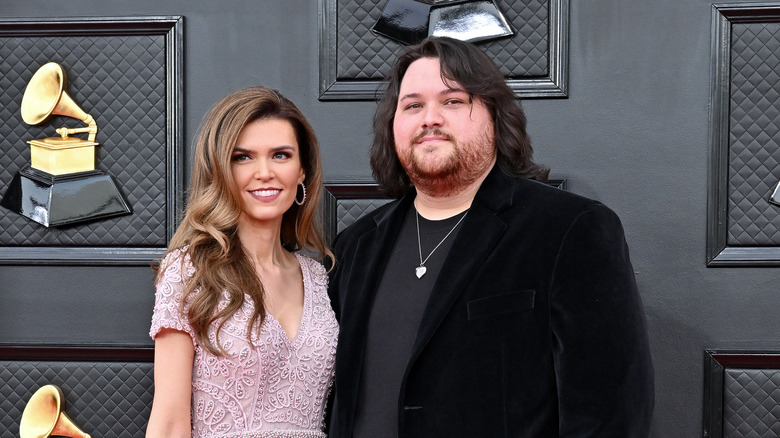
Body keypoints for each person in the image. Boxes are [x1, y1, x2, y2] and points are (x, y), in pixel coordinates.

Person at [327, 37, 654, 437]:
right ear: (393, 126)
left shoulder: (571, 229)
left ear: (495, 117)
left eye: (452, 101)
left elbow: (610, 415)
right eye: (412, 105)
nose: (430, 118)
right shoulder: (355, 247)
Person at [146, 86, 338, 438]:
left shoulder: (318, 276)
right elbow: (170, 423)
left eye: (280, 155)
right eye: (243, 157)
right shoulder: (189, 271)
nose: (264, 172)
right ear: (220, 170)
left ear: (302, 172)